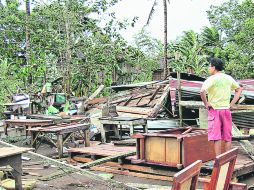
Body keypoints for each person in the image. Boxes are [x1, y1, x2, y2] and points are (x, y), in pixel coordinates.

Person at [200, 58, 243, 156]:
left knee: (216, 137)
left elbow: (202, 91)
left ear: (213, 67)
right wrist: (231, 104)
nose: (208, 68)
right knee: (227, 136)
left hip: (215, 110)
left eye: (209, 66)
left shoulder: (212, 79)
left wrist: (206, 103)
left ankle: (218, 159)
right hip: (226, 110)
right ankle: (227, 159)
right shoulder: (228, 78)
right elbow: (239, 89)